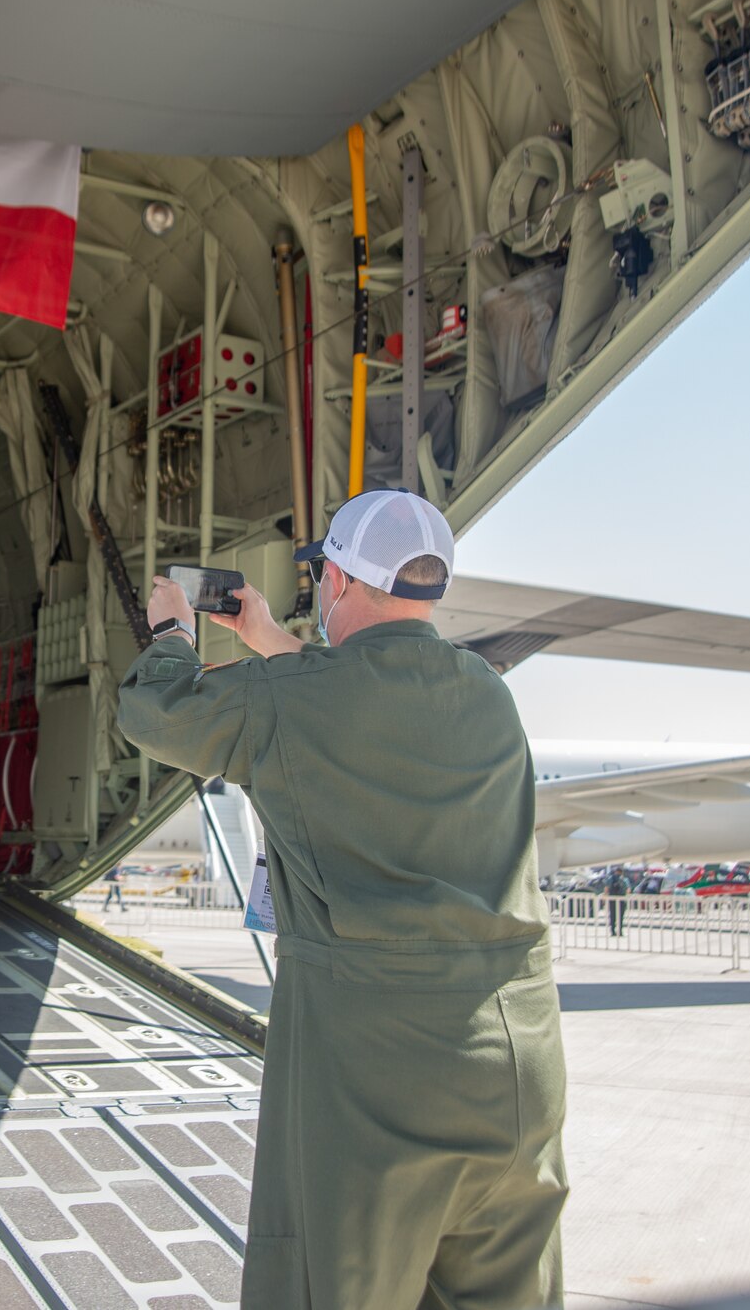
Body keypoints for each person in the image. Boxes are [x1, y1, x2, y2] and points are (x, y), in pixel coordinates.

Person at [116, 489, 566, 1309]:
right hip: (518, 1068)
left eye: (321, 570)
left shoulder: (294, 698)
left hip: (377, 1076)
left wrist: (173, 631)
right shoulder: (488, 693)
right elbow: (358, 697)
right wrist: (268, 637)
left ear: (341, 584)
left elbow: (154, 710)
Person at [605, 867, 631, 937]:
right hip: (622, 900)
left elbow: (606, 888)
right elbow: (628, 890)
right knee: (621, 916)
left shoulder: (611, 878)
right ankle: (620, 931)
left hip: (612, 899)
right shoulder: (625, 879)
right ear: (622, 872)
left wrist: (606, 897)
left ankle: (613, 931)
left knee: (612, 915)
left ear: (615, 871)